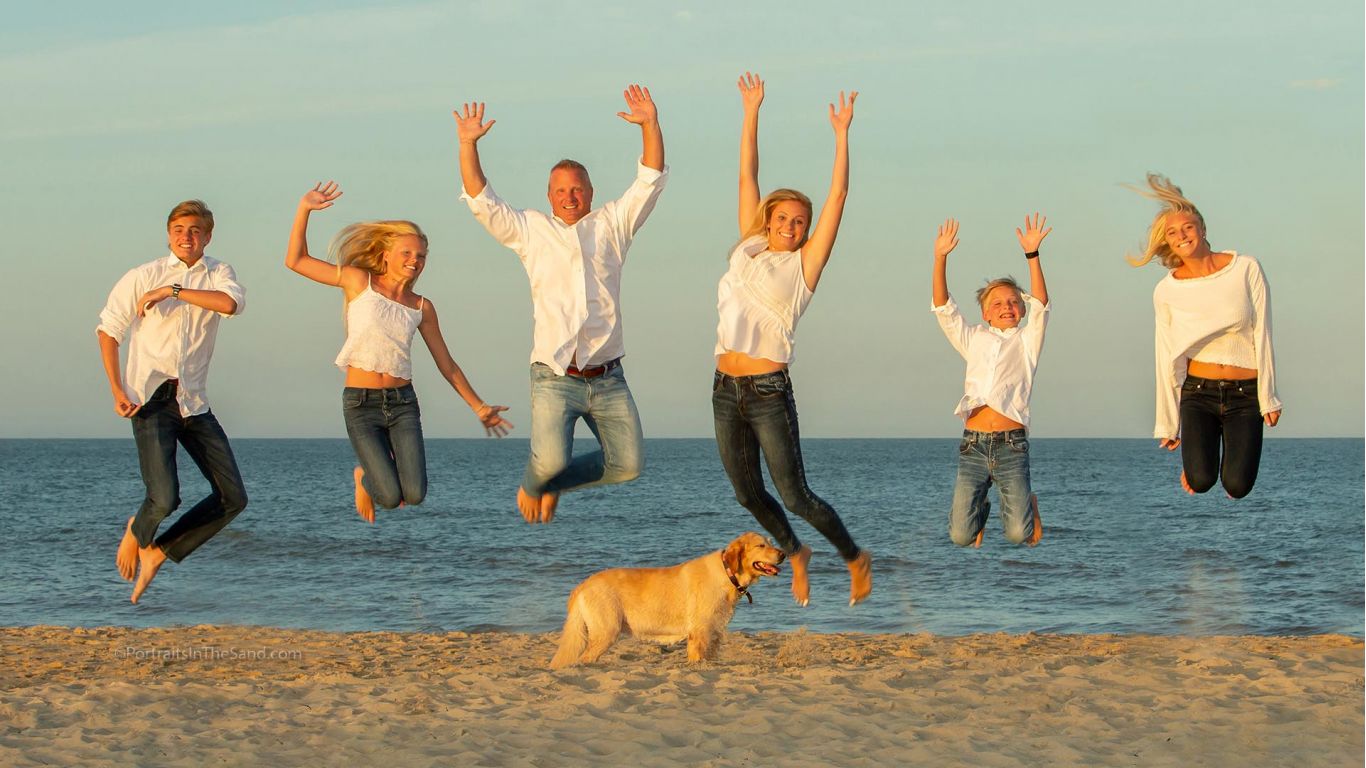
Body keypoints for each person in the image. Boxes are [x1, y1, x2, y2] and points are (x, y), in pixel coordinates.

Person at [453, 84, 668, 524]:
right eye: (561, 191)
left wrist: (650, 124)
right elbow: (482, 202)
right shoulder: (531, 230)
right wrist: (467, 145)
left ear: (591, 192)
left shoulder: (612, 224)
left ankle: (556, 482)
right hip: (554, 375)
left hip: (608, 376)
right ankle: (540, 480)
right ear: (549, 196)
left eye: (577, 190)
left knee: (629, 466)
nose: (570, 197)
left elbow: (650, 178)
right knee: (547, 463)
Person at [711, 72, 871, 607]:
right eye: (783, 218)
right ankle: (793, 552)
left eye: (799, 222)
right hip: (724, 388)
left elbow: (840, 195)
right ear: (769, 219)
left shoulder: (804, 267)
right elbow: (743, 175)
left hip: (767, 390)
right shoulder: (748, 247)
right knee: (745, 492)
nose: (791, 226)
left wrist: (842, 134)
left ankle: (853, 557)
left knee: (795, 493)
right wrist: (751, 110)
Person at [285, 181, 512, 523]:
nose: (414, 260)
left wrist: (478, 406)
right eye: (406, 253)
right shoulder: (358, 281)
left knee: (416, 494)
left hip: (403, 404)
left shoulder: (422, 306)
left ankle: (375, 473)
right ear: (386, 254)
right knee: (389, 497)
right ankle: (363, 477)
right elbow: (296, 261)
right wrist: (304, 209)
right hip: (361, 403)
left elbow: (446, 364)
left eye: (420, 255)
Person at [99, 200, 249, 603]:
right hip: (150, 399)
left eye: (196, 229)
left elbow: (231, 305)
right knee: (164, 498)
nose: (187, 235)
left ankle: (160, 552)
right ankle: (138, 530)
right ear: (169, 233)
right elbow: (108, 331)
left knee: (233, 497)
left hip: (194, 401)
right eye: (180, 229)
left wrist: (174, 291)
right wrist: (117, 390)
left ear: (208, 235)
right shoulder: (141, 275)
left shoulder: (219, 273)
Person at [1131, 173, 1281, 498]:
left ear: (1202, 228)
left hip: (1246, 392)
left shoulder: (1245, 268)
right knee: (1200, 481)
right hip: (1198, 393)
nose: (1182, 235)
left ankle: (1221, 461)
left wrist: (1268, 396)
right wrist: (1168, 423)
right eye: (1172, 233)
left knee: (1238, 487)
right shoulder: (1167, 291)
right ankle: (1199, 462)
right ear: (1168, 242)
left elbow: (1263, 333)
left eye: (1187, 227)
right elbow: (1165, 356)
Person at [931, 216, 1052, 548]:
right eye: (997, 303)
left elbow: (1041, 306)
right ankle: (980, 509)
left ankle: (1030, 506)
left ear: (1021, 310)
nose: (1007, 307)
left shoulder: (1027, 341)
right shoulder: (973, 338)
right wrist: (940, 257)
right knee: (960, 537)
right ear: (985, 313)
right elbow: (943, 308)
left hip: (1011, 445)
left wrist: (1032, 255)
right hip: (973, 444)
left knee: (1019, 534)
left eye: (1013, 302)